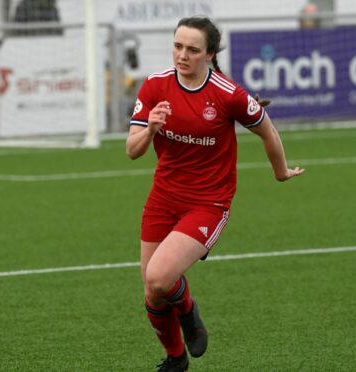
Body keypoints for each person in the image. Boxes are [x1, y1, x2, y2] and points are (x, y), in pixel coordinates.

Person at [126, 16, 304, 372]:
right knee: (151, 291)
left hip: (208, 203)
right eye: (178, 46)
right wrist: (152, 129)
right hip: (163, 198)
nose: (182, 55)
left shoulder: (228, 94)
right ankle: (176, 359)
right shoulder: (155, 87)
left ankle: (189, 311)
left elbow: (268, 132)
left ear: (210, 54)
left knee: (160, 278)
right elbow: (132, 150)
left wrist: (280, 171)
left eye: (192, 49)